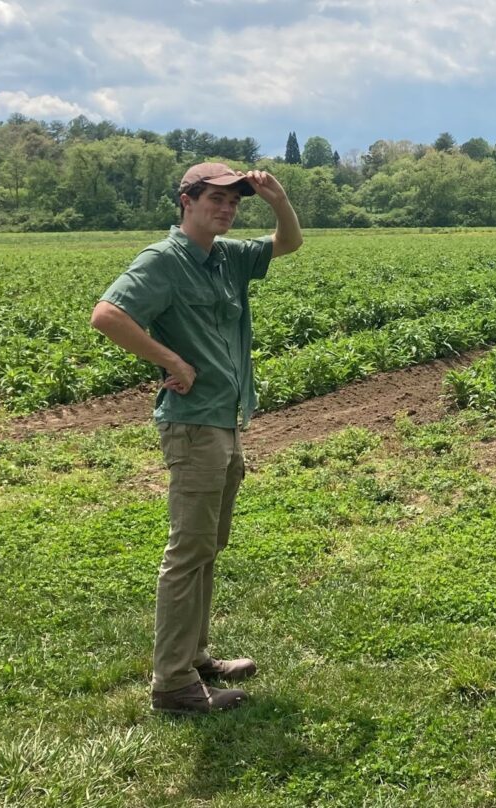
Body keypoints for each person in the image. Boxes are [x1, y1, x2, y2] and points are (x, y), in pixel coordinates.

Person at [91, 162, 303, 715]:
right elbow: (108, 315)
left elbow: (288, 243)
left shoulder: (227, 257)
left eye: (235, 202)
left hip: (224, 418)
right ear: (185, 201)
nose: (227, 209)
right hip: (193, 423)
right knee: (188, 551)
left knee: (209, 545)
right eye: (215, 198)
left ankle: (195, 658)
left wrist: (277, 198)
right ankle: (173, 685)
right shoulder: (163, 261)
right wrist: (171, 359)